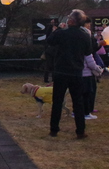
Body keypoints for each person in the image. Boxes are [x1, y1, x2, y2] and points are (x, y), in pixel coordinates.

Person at [47, 9, 92, 139]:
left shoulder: (62, 33)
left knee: (57, 101)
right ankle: (80, 130)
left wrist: (59, 29)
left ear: (71, 21)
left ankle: (54, 129)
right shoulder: (84, 35)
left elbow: (50, 41)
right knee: (78, 102)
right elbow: (88, 51)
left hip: (61, 71)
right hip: (77, 72)